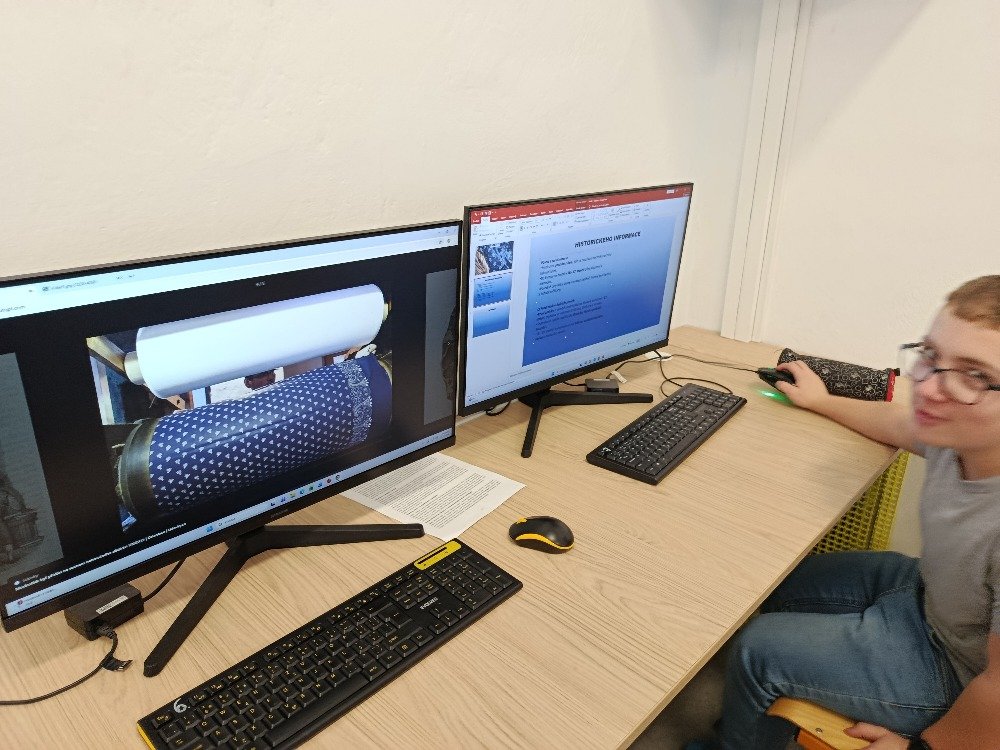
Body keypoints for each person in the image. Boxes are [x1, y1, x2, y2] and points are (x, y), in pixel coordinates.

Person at [688, 275, 1000, 749]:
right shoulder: (957, 435)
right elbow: (896, 423)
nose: (928, 387)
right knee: (779, 583)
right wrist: (821, 401)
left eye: (973, 376)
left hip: (959, 672)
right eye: (930, 355)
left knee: (759, 649)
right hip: (933, 598)